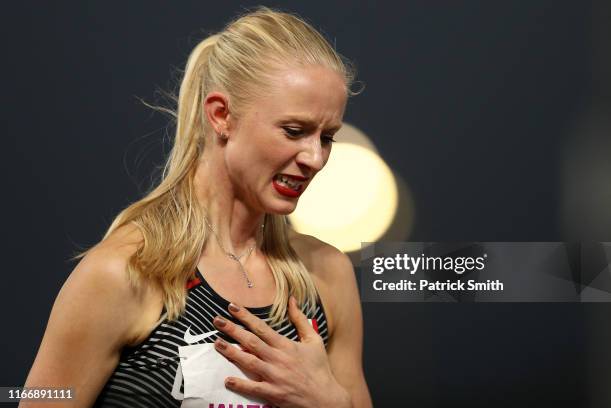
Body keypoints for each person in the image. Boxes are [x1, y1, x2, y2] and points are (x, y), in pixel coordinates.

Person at [22, 7, 372, 408]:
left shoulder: (325, 275)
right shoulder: (125, 273)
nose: (314, 157)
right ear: (221, 115)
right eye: (294, 131)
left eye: (327, 137)